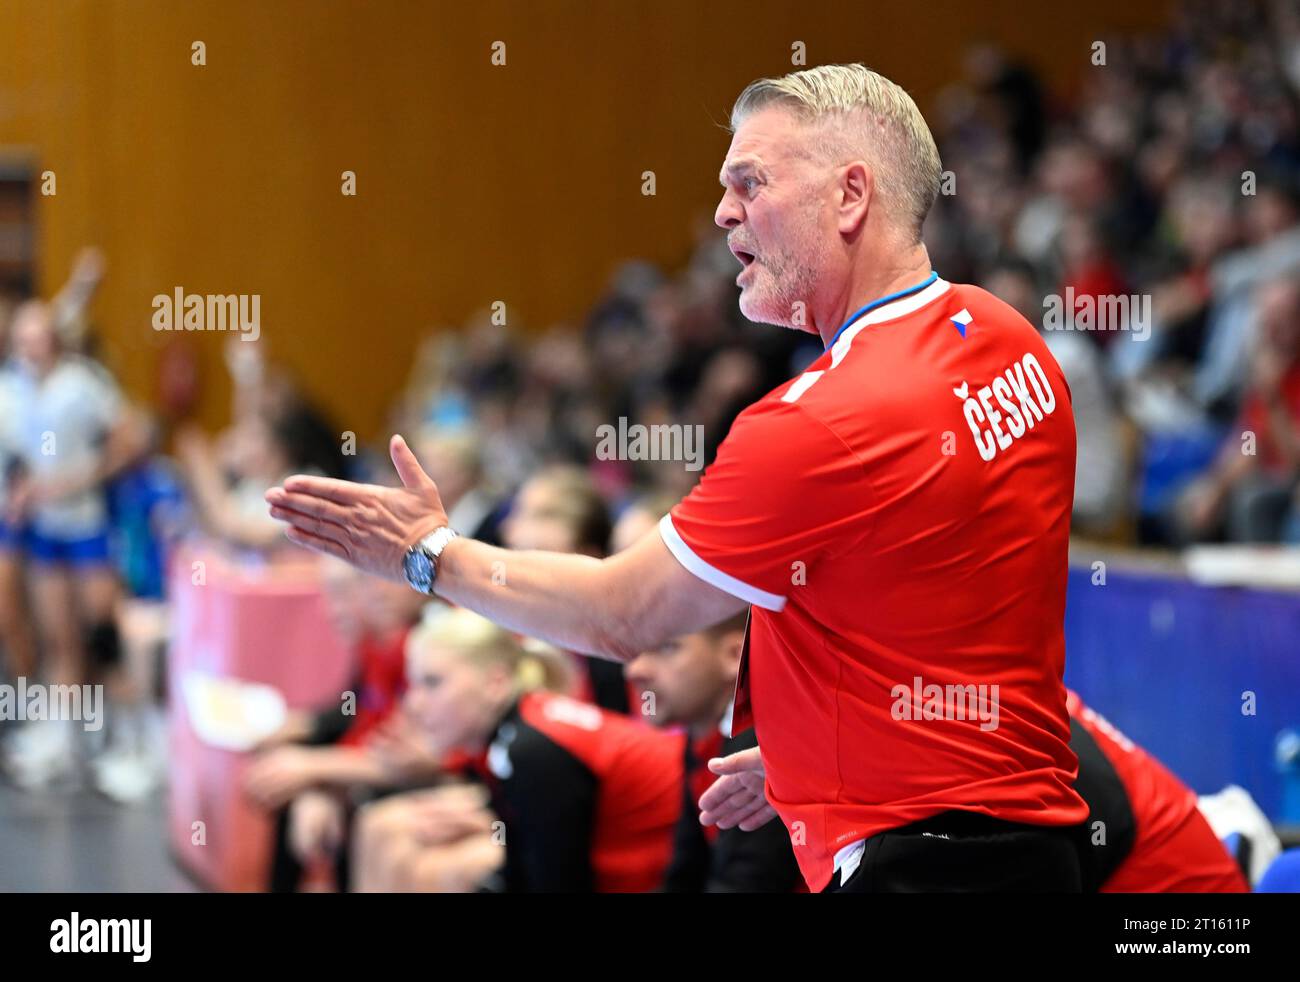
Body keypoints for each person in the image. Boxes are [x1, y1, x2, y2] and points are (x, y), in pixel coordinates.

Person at [268, 63, 1089, 892]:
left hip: (923, 869)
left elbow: (622, 613)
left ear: (850, 196)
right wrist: (829, 746)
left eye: (749, 183)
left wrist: (428, 554)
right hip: (1035, 852)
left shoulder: (820, 420)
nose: (724, 211)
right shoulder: (1005, 335)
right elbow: (948, 605)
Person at [397, 606, 683, 892]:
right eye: (412, 684)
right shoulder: (520, 733)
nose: (414, 703)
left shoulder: (531, 750)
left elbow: (559, 882)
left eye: (432, 683)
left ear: (495, 683)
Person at [625, 612, 802, 892]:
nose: (635, 669)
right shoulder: (700, 738)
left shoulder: (762, 746)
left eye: (667, 647)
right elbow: (686, 873)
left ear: (734, 656)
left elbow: (749, 884)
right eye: (637, 650)